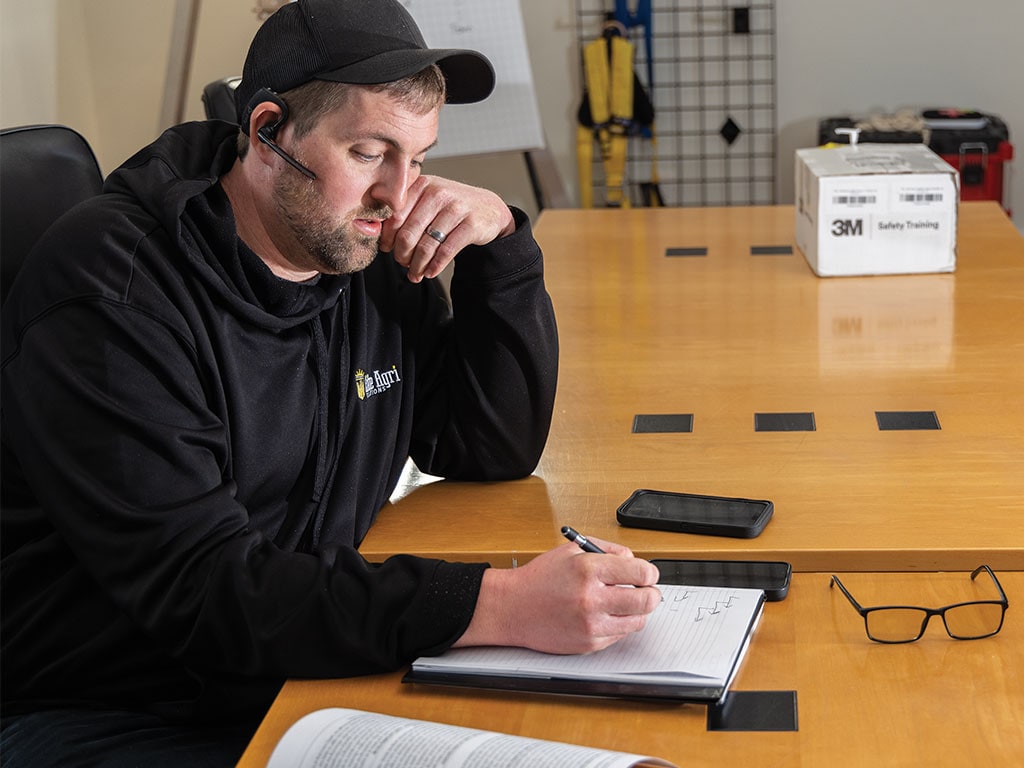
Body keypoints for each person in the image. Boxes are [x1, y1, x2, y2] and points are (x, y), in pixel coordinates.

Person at [0, 0, 661, 764]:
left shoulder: (359, 252)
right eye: (369, 152)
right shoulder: (113, 296)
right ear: (268, 133)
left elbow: (487, 446)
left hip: (297, 665)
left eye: (417, 157)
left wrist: (501, 248)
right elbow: (204, 591)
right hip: (116, 709)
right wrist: (497, 604)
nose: (397, 193)